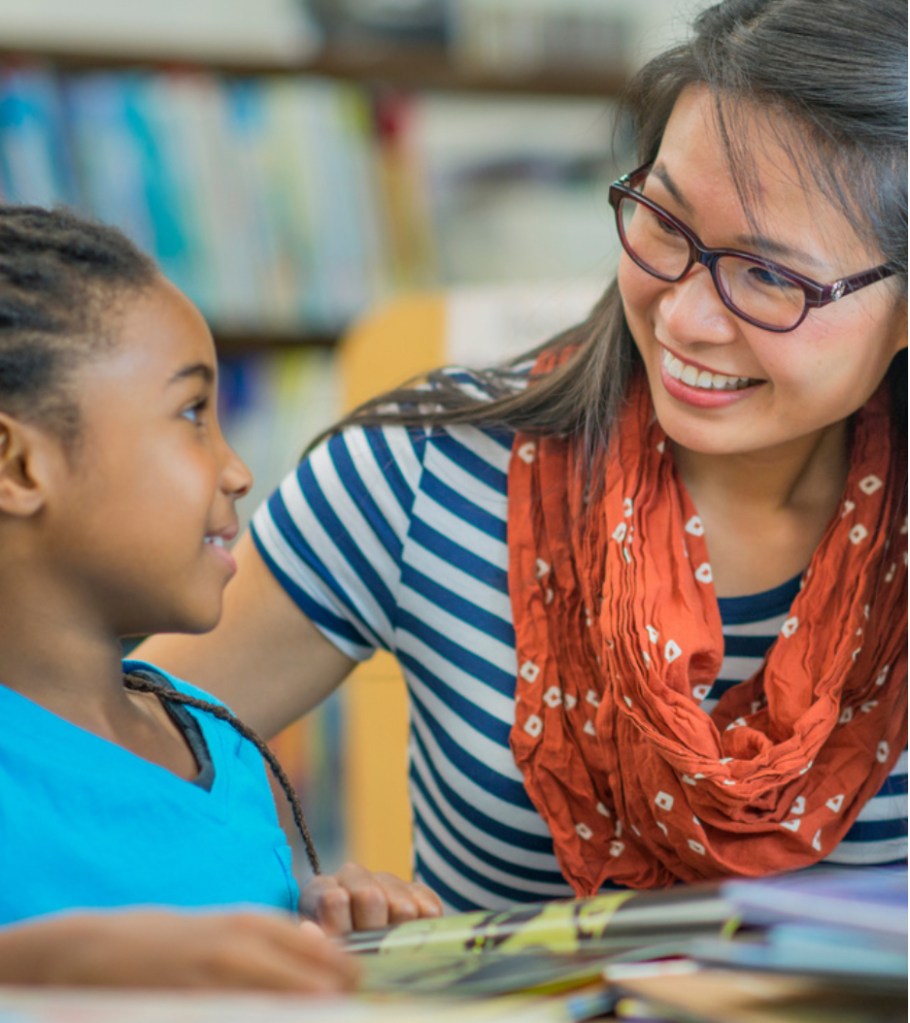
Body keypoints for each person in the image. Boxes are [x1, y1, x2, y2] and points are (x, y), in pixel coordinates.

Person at [141, 0, 908, 912]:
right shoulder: (421, 475)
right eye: (664, 222)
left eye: (770, 275)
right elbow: (90, 778)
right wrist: (282, 896)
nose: (686, 316)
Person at [0, 204, 440, 988]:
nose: (237, 471)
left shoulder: (219, 740)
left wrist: (342, 948)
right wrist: (51, 968)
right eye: (192, 414)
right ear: (19, 467)